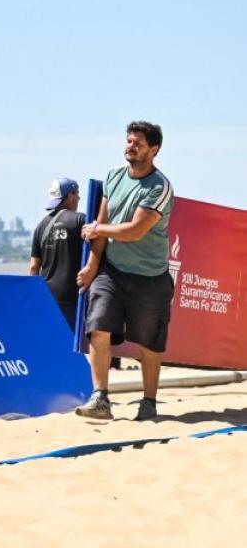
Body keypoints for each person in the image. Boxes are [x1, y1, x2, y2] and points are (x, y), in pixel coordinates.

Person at [74, 121, 175, 421]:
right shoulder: (114, 177)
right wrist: (92, 266)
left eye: (138, 143)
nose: (131, 147)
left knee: (149, 343)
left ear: (153, 150)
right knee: (98, 328)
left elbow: (134, 231)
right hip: (113, 271)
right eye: (129, 141)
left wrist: (96, 228)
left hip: (150, 277)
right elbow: (103, 228)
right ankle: (100, 399)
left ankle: (149, 402)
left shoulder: (160, 187)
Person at [29, 178, 84, 331]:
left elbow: (34, 267)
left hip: (47, 297)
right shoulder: (80, 220)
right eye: (77, 193)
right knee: (76, 347)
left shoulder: (41, 226)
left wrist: (34, 297)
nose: (79, 198)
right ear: (70, 195)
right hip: (73, 297)